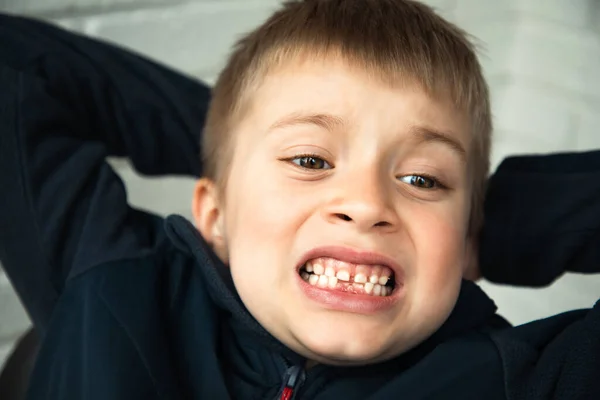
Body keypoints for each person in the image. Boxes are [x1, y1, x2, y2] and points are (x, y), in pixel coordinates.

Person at [0, 1, 598, 399]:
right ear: (213, 215)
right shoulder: (112, 283)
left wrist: (502, 219)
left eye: (423, 180)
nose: (365, 205)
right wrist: (230, 142)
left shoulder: (519, 381)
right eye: (310, 161)